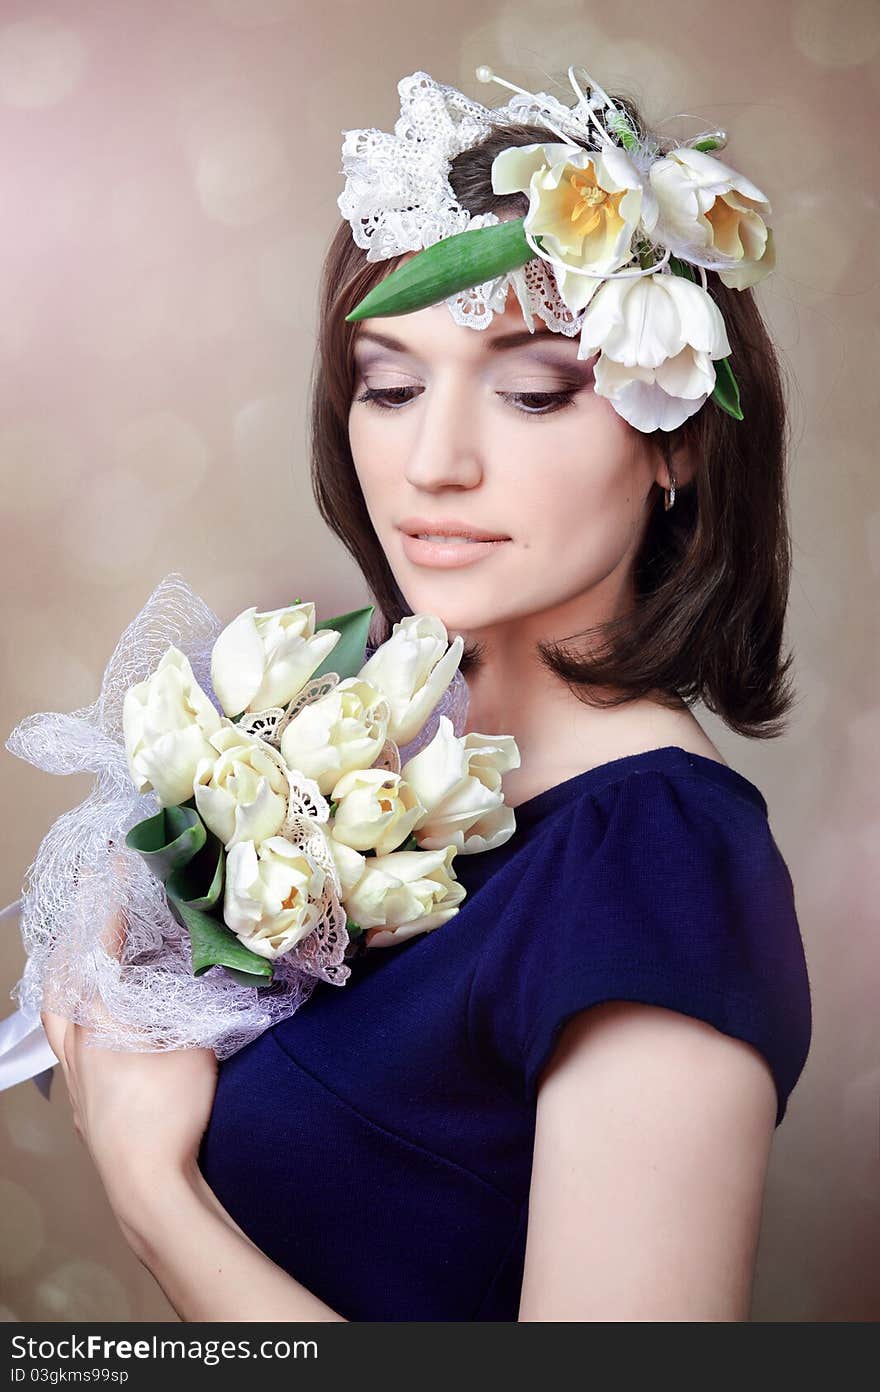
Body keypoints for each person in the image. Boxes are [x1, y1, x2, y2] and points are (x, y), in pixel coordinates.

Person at [40, 63, 812, 1322]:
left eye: (531, 392)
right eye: (387, 388)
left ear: (672, 431)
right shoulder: (354, 752)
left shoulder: (660, 862)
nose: (433, 463)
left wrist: (151, 1192)